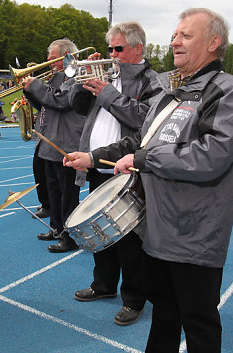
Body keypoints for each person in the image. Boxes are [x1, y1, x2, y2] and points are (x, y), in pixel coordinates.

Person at [65, 8, 233, 352]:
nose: (175, 41)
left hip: (195, 234)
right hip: (156, 230)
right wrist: (93, 158)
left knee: (199, 324)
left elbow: (211, 155)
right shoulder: (171, 91)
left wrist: (143, 158)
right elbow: (140, 142)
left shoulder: (228, 91)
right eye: (175, 34)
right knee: (165, 314)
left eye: (186, 35)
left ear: (214, 43)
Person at [69, 22, 161, 326]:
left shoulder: (152, 81)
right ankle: (103, 285)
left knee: (130, 237)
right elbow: (78, 107)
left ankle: (134, 299)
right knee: (100, 231)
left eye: (118, 49)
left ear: (138, 48)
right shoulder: (109, 75)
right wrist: (85, 82)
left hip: (127, 168)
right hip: (96, 164)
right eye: (110, 48)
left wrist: (108, 93)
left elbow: (145, 120)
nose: (111, 54)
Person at [21, 38, 85, 253]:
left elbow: (61, 101)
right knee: (54, 191)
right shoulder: (56, 77)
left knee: (68, 195)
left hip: (66, 143)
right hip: (50, 141)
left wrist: (36, 86)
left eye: (52, 57)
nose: (48, 62)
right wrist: (29, 91)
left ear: (67, 56)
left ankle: (70, 236)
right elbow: (44, 104)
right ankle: (57, 228)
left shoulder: (76, 75)